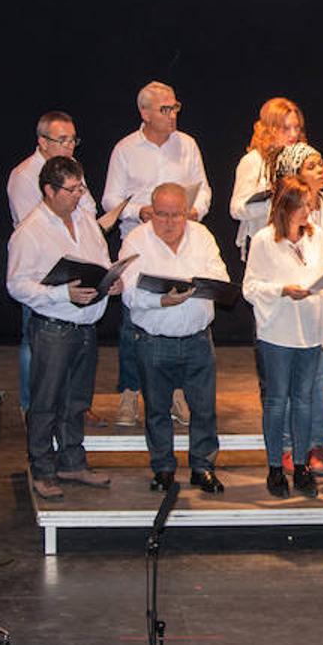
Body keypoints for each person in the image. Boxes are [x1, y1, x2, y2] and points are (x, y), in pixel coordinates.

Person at [6, 156, 121, 500]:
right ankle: (42, 468)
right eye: (72, 190)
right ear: (49, 190)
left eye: (80, 187)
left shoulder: (85, 220)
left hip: (85, 326)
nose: (79, 195)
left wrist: (113, 280)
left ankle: (72, 460)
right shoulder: (30, 231)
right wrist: (60, 293)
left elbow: (101, 260)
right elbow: (16, 285)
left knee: (77, 399)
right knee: (46, 401)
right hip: (53, 328)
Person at [103, 81, 211, 429]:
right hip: (143, 245)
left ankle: (176, 393)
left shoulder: (188, 145)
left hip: (181, 242)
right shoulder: (125, 149)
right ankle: (130, 392)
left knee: (183, 313)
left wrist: (195, 210)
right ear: (145, 112)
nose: (173, 114)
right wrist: (142, 211)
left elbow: (204, 189)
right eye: (165, 109)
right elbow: (110, 200)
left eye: (175, 107)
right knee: (135, 321)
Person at [119, 183, 228, 494]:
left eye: (176, 215)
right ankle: (163, 468)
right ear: (151, 212)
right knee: (157, 409)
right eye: (161, 215)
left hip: (197, 339)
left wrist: (204, 286)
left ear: (187, 212)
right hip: (154, 340)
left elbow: (220, 276)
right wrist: (160, 301)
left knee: (204, 408)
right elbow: (127, 289)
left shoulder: (202, 237)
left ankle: (202, 467)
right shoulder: (137, 239)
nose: (168, 222)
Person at [243, 177, 323, 499]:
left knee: (304, 399)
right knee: (278, 399)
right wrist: (282, 289)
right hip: (278, 330)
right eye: (303, 205)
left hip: (309, 328)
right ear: (286, 207)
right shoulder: (265, 240)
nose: (309, 211)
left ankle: (301, 464)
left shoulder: (316, 236)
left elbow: (321, 273)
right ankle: (274, 467)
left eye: (310, 205)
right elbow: (250, 287)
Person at [7, 110, 95, 415]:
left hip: (74, 267)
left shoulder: (73, 172)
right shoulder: (24, 176)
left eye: (73, 140)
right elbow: (31, 225)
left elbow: (87, 211)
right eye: (62, 140)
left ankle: (68, 408)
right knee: (35, 342)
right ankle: (32, 406)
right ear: (42, 141)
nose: (69, 146)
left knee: (76, 347)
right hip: (44, 274)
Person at [274, 142, 323, 475]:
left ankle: (316, 444)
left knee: (317, 380)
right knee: (290, 383)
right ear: (295, 174)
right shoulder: (281, 208)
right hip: (290, 306)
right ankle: (289, 446)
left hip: (322, 302)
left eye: (321, 163)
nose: (321, 170)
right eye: (312, 166)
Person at [228, 97, 304, 260]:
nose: (293, 134)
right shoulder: (253, 161)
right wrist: (271, 203)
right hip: (263, 246)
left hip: (294, 243)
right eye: (286, 128)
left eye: (297, 128)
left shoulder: (300, 160)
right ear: (270, 129)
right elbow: (236, 209)